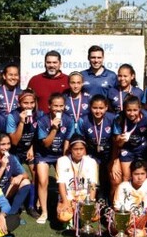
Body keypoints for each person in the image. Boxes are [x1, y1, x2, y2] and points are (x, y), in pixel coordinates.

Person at [34, 93, 74, 224]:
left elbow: (67, 140)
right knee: (43, 180)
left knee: (63, 180)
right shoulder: (42, 121)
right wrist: (54, 128)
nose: (58, 109)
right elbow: (46, 143)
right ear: (49, 106)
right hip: (44, 154)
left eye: (61, 106)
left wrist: (64, 159)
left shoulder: (68, 120)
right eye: (55, 106)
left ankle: (63, 207)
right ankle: (44, 212)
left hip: (59, 155)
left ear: (65, 107)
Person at [77, 94, 115, 201]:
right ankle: (90, 201)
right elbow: (80, 142)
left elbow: (116, 142)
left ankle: (109, 204)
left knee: (110, 179)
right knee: (90, 178)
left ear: (106, 108)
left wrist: (114, 160)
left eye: (101, 108)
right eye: (95, 108)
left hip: (109, 153)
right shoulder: (83, 120)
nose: (98, 111)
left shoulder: (113, 119)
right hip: (91, 154)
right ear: (90, 107)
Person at [111, 95, 147, 184]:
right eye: (128, 110)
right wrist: (121, 140)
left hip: (143, 149)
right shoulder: (119, 118)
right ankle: (127, 196)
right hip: (127, 149)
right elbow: (117, 143)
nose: (132, 114)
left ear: (140, 108)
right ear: (124, 109)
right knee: (127, 177)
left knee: (144, 177)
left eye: (135, 110)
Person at [55, 135, 99, 224]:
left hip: (84, 197)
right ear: (70, 149)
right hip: (68, 197)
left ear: (85, 149)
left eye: (81, 149)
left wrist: (90, 203)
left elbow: (92, 185)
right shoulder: (62, 161)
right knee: (64, 216)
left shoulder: (91, 162)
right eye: (75, 149)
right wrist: (65, 202)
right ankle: (70, 220)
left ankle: (81, 219)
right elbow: (61, 183)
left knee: (95, 216)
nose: (78, 152)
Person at [0, 132, 31, 217]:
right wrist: (3, 167)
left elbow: (25, 174)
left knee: (25, 182)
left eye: (8, 144)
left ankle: (12, 213)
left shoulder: (12, 158)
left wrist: (19, 176)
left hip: (5, 191)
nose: (6, 147)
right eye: (3, 144)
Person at [113, 160, 147, 237]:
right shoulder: (122, 186)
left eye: (142, 174)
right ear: (131, 174)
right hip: (128, 218)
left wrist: (146, 211)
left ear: (146, 174)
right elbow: (116, 209)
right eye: (136, 174)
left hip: (145, 217)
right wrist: (129, 217)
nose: (140, 177)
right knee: (114, 226)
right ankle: (141, 231)